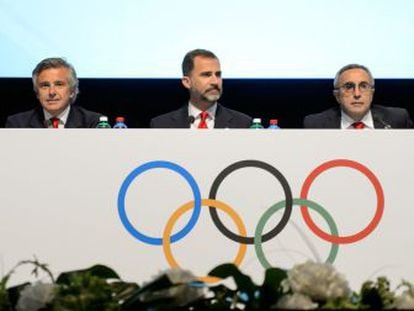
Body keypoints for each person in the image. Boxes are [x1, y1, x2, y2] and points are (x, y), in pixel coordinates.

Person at [150, 49, 252, 128]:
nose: (215, 82)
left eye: (218, 74)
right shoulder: (162, 125)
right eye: (206, 75)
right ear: (187, 82)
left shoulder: (243, 124)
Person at [303, 64, 413, 129]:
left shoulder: (397, 120)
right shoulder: (316, 124)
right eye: (349, 87)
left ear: (372, 93)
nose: (357, 94)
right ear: (337, 95)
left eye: (363, 86)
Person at [5, 57, 102, 128]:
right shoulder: (17, 124)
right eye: (45, 85)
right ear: (37, 93)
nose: (51, 92)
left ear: (72, 91)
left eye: (59, 84)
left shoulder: (93, 123)